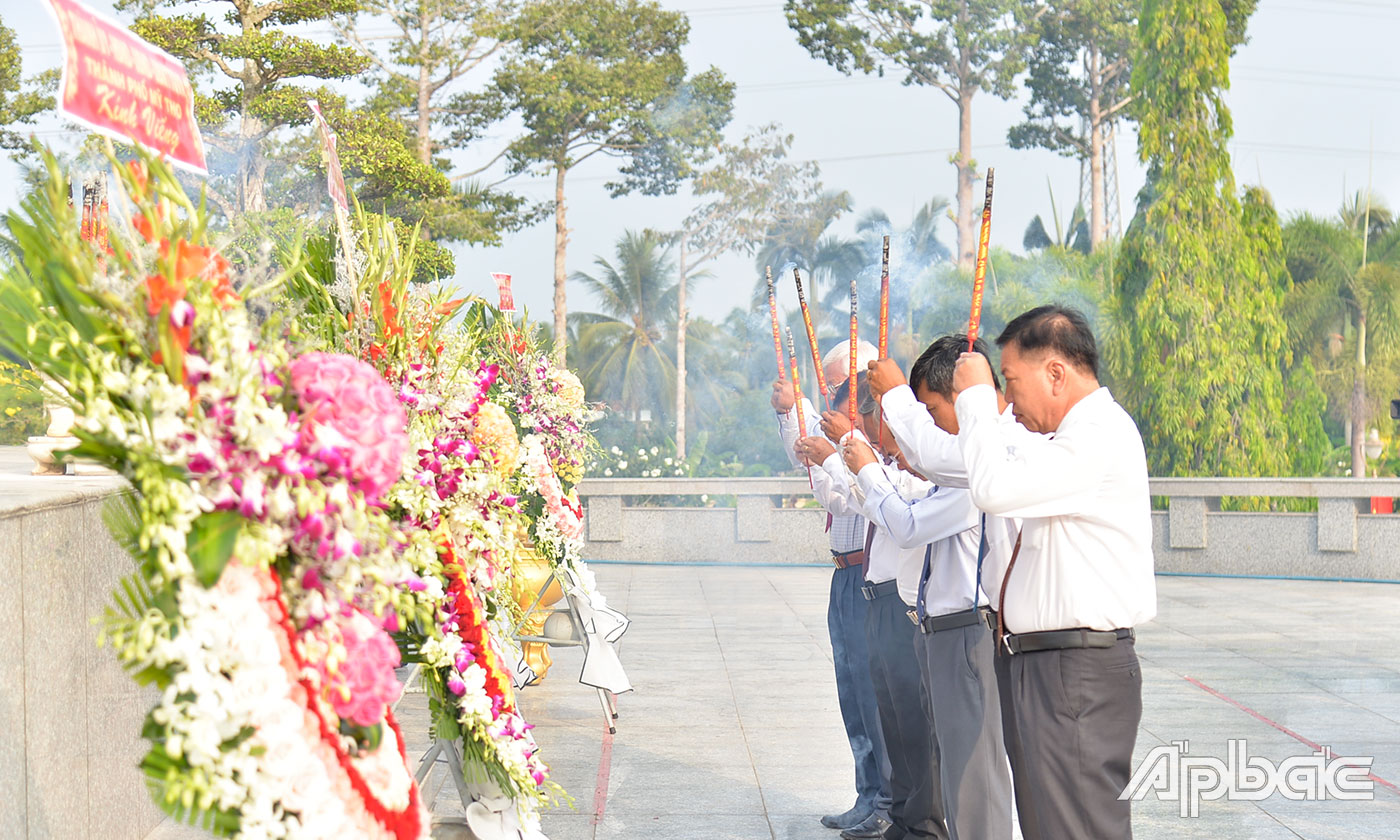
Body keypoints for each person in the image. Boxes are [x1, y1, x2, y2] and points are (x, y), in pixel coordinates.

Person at [952, 305, 1156, 840]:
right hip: (1051, 666)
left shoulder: (1099, 435)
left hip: (1075, 672)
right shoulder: (1069, 438)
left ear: (1056, 373)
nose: (1010, 401)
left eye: (1013, 382)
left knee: (1075, 827)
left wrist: (974, 396)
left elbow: (992, 487)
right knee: (1051, 824)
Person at [867, 336, 1043, 840]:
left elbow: (908, 523)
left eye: (931, 408)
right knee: (954, 769)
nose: (928, 422)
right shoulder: (965, 460)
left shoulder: (979, 463)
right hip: (941, 628)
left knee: (975, 777)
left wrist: (895, 405)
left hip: (968, 630)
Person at [802, 390, 948, 840]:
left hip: (905, 604)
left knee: (912, 730)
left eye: (871, 422)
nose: (885, 447)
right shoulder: (888, 467)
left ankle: (913, 818)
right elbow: (857, 499)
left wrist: (851, 460)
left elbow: (899, 518)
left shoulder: (934, 476)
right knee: (886, 717)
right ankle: (898, 814)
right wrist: (839, 461)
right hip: (875, 593)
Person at [773, 340, 890, 834]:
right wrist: (800, 429)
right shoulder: (846, 447)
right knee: (852, 692)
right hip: (844, 571)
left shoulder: (881, 450)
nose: (832, 414)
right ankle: (867, 793)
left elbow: (854, 500)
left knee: (874, 692)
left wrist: (834, 457)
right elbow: (824, 486)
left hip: (870, 574)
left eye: (841, 396)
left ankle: (886, 798)